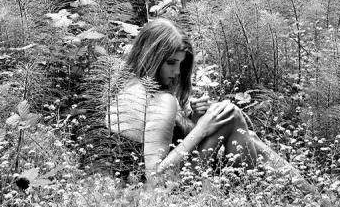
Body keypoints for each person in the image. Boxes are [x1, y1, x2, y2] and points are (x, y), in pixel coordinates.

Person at [106, 18, 291, 183]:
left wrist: (193, 119)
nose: (177, 72)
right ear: (152, 57)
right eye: (171, 63)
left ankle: (305, 195)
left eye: (180, 64)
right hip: (154, 193)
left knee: (246, 134)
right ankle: (256, 191)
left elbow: (156, 142)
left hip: (127, 185)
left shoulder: (124, 87)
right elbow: (156, 179)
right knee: (230, 114)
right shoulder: (161, 100)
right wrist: (202, 129)